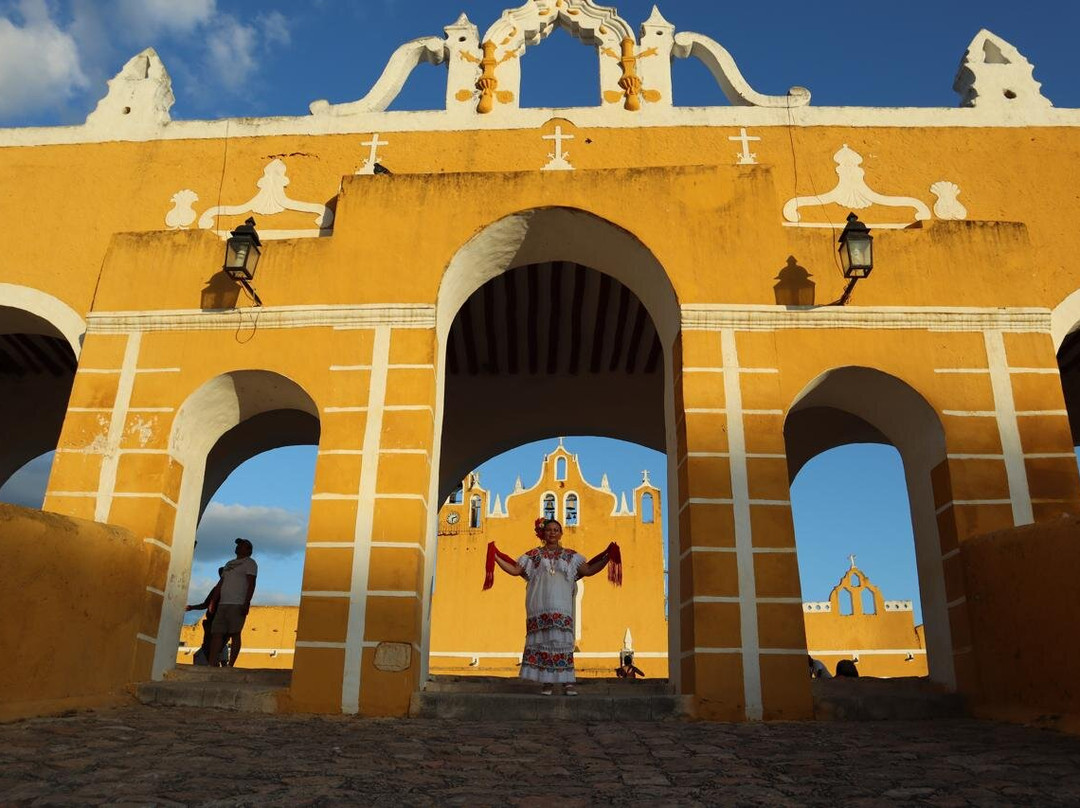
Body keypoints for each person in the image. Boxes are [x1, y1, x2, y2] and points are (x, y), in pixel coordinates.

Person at [491, 518, 615, 696]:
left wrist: (607, 557)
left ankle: (567, 683)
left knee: (562, 642)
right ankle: (547, 682)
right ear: (543, 533)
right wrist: (494, 556)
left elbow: (588, 570)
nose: (552, 532)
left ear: (561, 533)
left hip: (561, 606)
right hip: (540, 605)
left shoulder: (571, 556)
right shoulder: (533, 555)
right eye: (549, 529)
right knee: (545, 642)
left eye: (556, 529)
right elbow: (515, 570)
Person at [205, 538, 257, 668]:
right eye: (238, 545)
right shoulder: (228, 564)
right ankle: (211, 663)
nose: (238, 547)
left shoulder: (250, 563)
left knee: (235, 633)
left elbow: (251, 584)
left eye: (241, 545)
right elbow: (220, 584)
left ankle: (231, 664)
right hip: (223, 603)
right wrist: (213, 601)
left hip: (237, 603)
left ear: (248, 550)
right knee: (217, 633)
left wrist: (246, 602)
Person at [185, 568, 228, 666]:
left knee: (217, 643)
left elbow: (205, 604)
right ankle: (215, 663)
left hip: (220, 621)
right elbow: (205, 604)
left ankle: (219, 663)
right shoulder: (216, 589)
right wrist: (192, 607)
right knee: (211, 643)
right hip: (212, 621)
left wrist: (192, 607)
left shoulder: (228, 590)